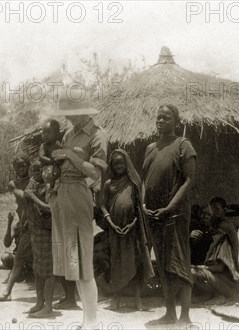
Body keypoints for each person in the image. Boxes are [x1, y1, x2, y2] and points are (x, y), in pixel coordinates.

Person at [49, 93, 107, 328]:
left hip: (79, 195)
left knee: (84, 262)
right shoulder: (69, 134)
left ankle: (91, 321)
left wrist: (69, 155)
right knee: (73, 262)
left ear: (85, 112)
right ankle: (87, 320)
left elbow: (95, 173)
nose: (69, 119)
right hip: (62, 195)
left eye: (72, 114)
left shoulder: (98, 134)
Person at [143, 104, 196, 326]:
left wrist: (170, 208)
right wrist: (144, 203)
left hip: (174, 216)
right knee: (163, 265)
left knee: (179, 265)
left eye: (166, 117)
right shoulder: (150, 148)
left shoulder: (183, 145)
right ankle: (170, 313)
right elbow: (145, 179)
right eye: (158, 118)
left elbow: (188, 180)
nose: (161, 121)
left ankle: (185, 316)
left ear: (176, 121)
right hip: (154, 215)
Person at [99, 149, 154, 311]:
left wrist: (133, 224)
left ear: (127, 163)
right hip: (114, 230)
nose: (119, 166)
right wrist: (110, 222)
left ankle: (137, 299)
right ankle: (115, 298)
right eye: (115, 163)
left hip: (132, 230)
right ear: (112, 165)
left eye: (122, 162)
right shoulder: (109, 184)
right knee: (115, 263)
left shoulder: (133, 183)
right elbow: (102, 205)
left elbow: (139, 207)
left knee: (134, 263)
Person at [0, 156, 33, 302]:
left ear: (29, 165)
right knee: (18, 258)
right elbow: (26, 199)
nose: (21, 169)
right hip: (25, 222)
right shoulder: (13, 184)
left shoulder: (35, 179)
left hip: (37, 221)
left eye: (23, 166)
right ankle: (7, 292)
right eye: (18, 166)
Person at [192, 197, 239, 299]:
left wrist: (197, 267)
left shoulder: (224, 231)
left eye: (217, 209)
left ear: (224, 210)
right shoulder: (218, 236)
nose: (214, 212)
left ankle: (215, 295)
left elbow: (220, 267)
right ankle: (210, 293)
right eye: (213, 209)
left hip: (228, 283)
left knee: (194, 272)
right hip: (226, 278)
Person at [23, 160, 56, 318]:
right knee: (37, 269)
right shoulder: (34, 184)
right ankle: (40, 302)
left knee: (48, 270)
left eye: (40, 170)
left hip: (47, 231)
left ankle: (48, 307)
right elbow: (25, 195)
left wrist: (32, 196)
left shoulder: (50, 187)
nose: (38, 173)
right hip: (36, 230)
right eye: (34, 170)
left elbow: (50, 208)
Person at [39, 118, 63, 189]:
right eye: (44, 133)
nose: (45, 135)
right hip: (47, 167)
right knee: (52, 171)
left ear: (57, 134)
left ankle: (56, 186)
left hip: (56, 166)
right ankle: (50, 186)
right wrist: (52, 162)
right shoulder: (44, 146)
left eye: (48, 132)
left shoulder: (58, 144)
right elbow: (41, 157)